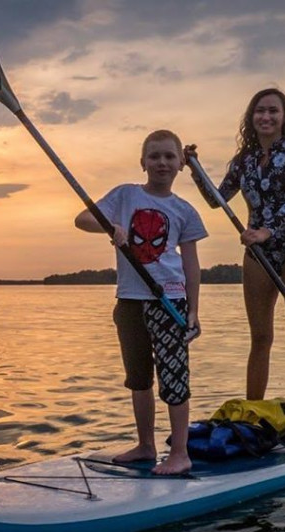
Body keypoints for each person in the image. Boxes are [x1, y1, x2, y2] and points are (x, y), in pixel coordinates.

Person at [185, 87, 285, 442]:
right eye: (260, 111)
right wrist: (194, 169)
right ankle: (251, 421)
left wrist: (266, 231)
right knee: (260, 338)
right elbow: (218, 200)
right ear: (251, 117)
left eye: (273, 111)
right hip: (257, 255)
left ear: (284, 117)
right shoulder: (243, 160)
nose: (266, 117)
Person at [75, 129, 208, 475]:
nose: (161, 163)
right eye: (154, 156)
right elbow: (82, 218)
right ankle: (146, 445)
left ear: (181, 163)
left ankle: (179, 452)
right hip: (130, 301)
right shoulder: (125, 195)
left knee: (174, 377)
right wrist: (112, 226)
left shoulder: (185, 210)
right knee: (138, 378)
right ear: (143, 162)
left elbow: (191, 264)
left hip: (170, 301)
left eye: (169, 157)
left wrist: (193, 310)